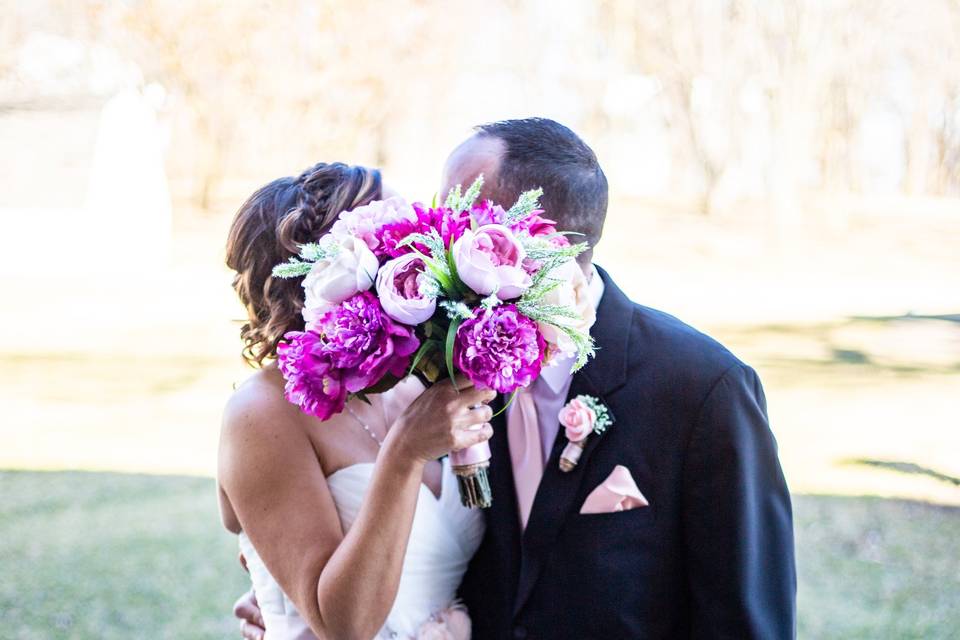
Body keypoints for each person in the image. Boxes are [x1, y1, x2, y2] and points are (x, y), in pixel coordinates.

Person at [236, 119, 797, 639]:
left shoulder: (702, 389)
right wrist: (280, 595)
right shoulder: (442, 364)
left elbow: (746, 619)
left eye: (460, 215)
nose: (432, 233)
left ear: (534, 239)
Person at [218, 161, 494, 640]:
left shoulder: (425, 376)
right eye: (400, 232)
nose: (426, 247)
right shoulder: (260, 413)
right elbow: (342, 627)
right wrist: (404, 453)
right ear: (336, 268)